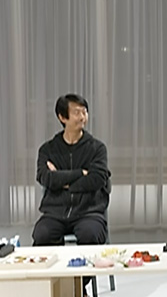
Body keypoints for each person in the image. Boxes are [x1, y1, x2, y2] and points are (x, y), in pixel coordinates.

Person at [33, 94, 110, 248]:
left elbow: (97, 179)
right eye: (76, 112)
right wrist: (80, 173)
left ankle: (86, 266)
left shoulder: (97, 148)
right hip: (55, 212)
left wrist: (62, 181)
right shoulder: (48, 149)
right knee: (42, 234)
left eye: (84, 112)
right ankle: (55, 266)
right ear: (62, 117)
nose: (82, 117)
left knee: (89, 233)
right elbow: (45, 177)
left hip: (88, 212)